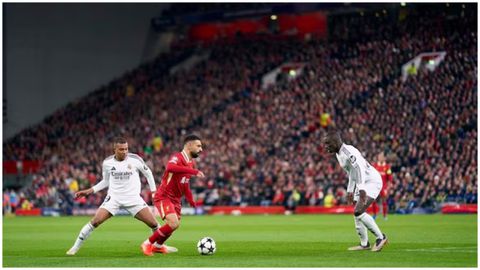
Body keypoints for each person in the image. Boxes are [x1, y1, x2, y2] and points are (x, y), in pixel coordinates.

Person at [66, 137, 160, 255]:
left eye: (126, 149)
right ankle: (75, 248)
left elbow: (148, 173)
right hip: (114, 198)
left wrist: (153, 191)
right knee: (95, 221)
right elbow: (105, 181)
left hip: (133, 199)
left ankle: (157, 246)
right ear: (114, 149)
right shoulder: (107, 163)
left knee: (154, 224)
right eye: (121, 149)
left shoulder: (135, 159)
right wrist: (89, 191)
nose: (125, 152)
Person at [322, 130, 388, 252]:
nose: (326, 147)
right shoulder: (338, 154)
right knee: (356, 212)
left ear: (336, 142)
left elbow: (359, 169)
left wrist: (361, 188)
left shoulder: (348, 152)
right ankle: (364, 244)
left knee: (359, 211)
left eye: (328, 144)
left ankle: (381, 237)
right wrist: (350, 190)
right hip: (361, 183)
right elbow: (351, 172)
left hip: (372, 181)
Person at [140, 134, 205, 256]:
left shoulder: (190, 162)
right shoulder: (178, 157)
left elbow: (185, 183)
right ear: (189, 145)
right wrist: (194, 172)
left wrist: (190, 199)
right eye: (198, 146)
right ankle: (147, 243)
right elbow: (170, 167)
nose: (201, 149)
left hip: (175, 199)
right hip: (164, 196)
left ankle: (158, 246)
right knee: (173, 223)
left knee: (174, 226)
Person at [372, 152, 393, 220]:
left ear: (384, 158)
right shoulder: (375, 166)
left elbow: (389, 178)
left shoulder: (387, 167)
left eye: (381, 156)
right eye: (379, 156)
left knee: (384, 200)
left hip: (383, 186)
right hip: (375, 186)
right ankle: (375, 214)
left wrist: (388, 187)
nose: (380, 158)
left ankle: (384, 216)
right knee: (373, 200)